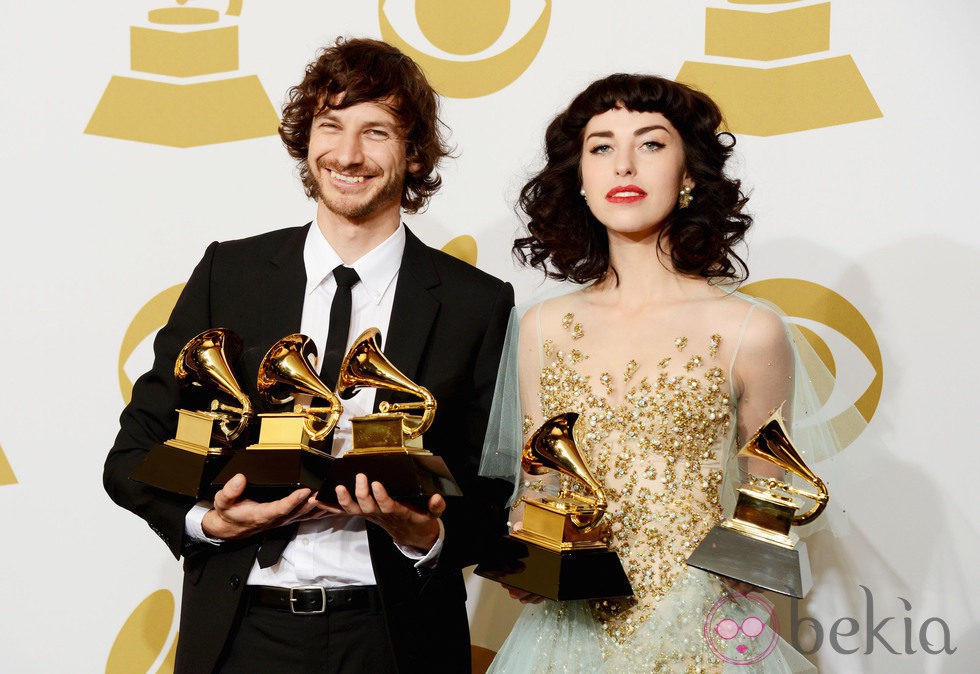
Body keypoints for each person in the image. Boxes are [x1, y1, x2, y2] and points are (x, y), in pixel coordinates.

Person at [104, 37, 514, 673]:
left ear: (413, 153)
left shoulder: (474, 303)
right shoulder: (229, 274)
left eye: (376, 131)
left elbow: (498, 494)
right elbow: (133, 456)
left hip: (398, 639)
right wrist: (210, 523)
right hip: (241, 634)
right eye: (331, 126)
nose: (348, 155)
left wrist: (425, 536)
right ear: (306, 139)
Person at [478, 74, 842, 672]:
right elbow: (540, 481)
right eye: (601, 147)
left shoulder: (748, 330)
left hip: (703, 631)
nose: (623, 165)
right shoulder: (541, 325)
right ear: (579, 179)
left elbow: (770, 497)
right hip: (567, 631)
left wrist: (723, 597)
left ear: (690, 173)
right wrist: (532, 549)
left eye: (650, 144)